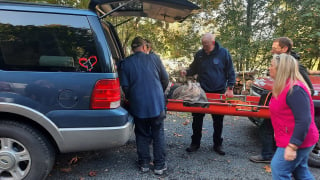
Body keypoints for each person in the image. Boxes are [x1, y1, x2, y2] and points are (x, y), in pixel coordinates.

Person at [249, 37, 314, 163]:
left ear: (285, 49)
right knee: (300, 170)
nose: (272, 51)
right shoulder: (280, 64)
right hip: (280, 107)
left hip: (287, 112)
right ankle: (271, 153)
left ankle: (268, 154)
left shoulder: (296, 67)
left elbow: (307, 90)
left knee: (266, 128)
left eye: (275, 48)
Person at [119, 36, 169, 175]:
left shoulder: (125, 63)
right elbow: (165, 79)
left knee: (141, 133)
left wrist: (132, 98)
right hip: (156, 104)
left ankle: (144, 164)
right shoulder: (155, 59)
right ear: (144, 47)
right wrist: (159, 93)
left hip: (138, 105)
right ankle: (159, 166)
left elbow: (125, 86)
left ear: (132, 49)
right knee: (158, 133)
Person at [181, 32, 235, 155]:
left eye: (206, 45)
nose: (204, 47)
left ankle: (217, 144)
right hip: (201, 92)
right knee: (197, 119)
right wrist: (186, 72)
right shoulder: (200, 54)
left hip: (219, 91)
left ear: (213, 43)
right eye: (202, 45)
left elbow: (230, 71)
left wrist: (230, 88)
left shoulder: (223, 53)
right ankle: (195, 143)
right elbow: (193, 69)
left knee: (218, 120)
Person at [268, 53, 318, 179]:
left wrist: (292, 146)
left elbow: (304, 120)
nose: (269, 68)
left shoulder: (295, 90)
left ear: (281, 69)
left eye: (271, 65)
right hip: (290, 137)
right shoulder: (283, 86)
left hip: (298, 141)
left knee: (279, 169)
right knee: (300, 172)